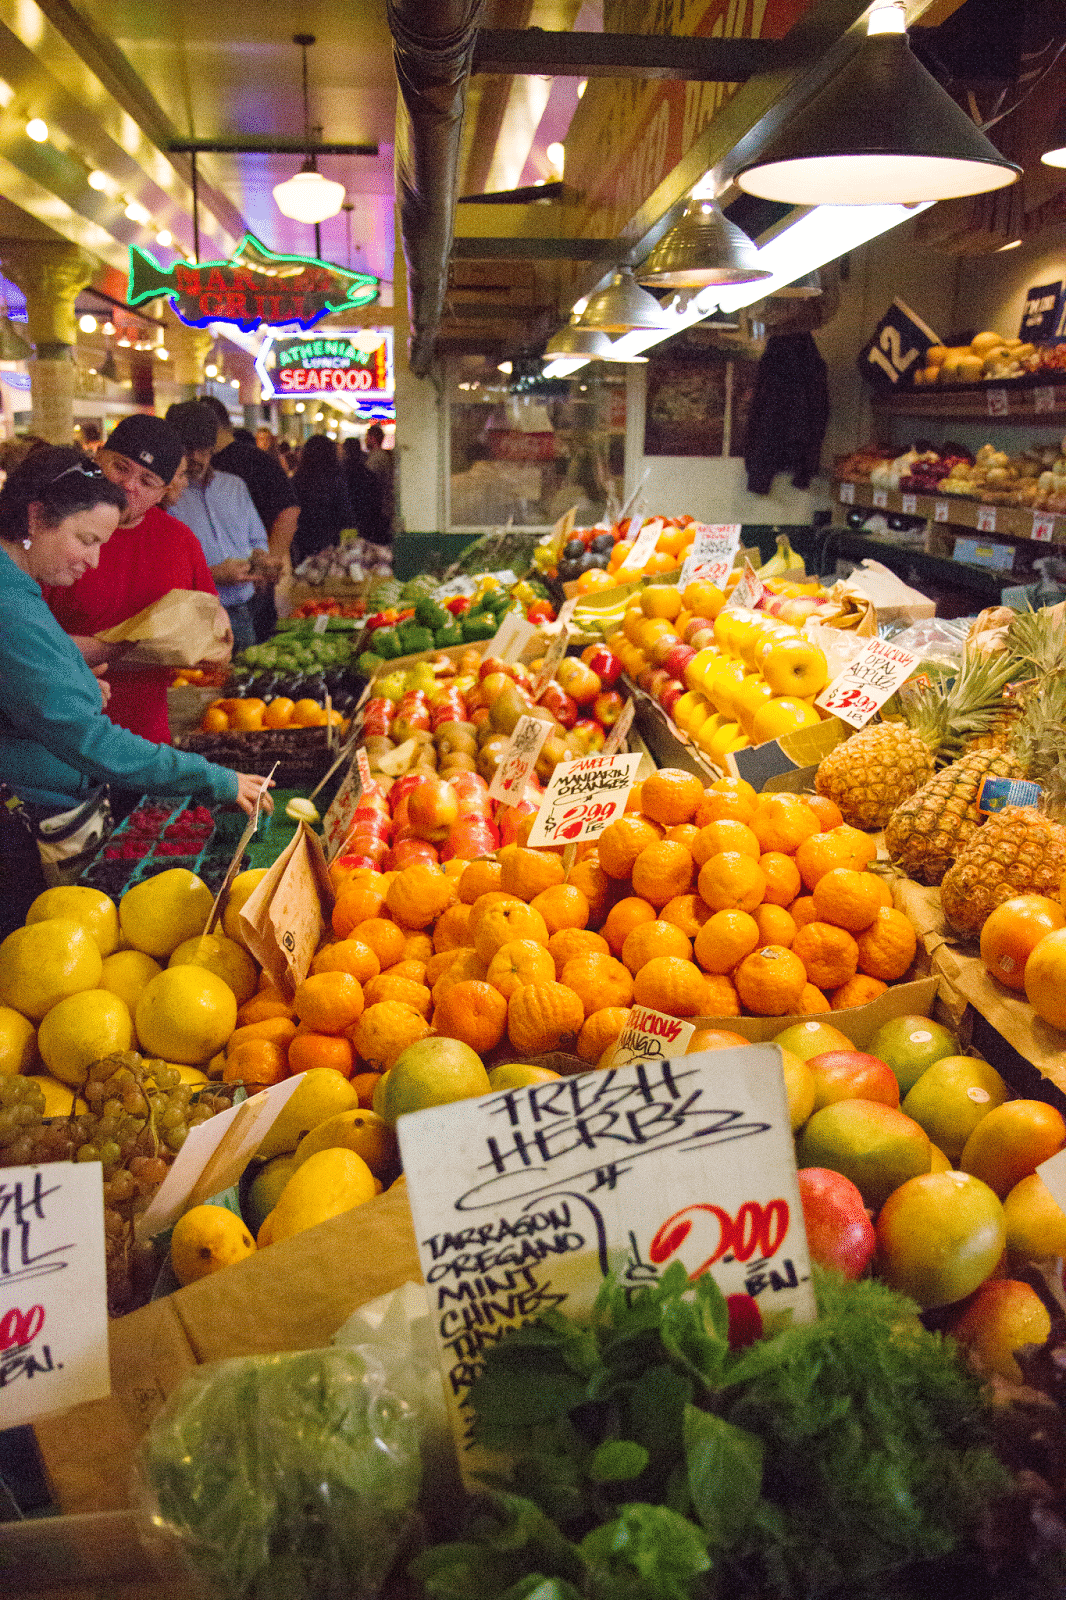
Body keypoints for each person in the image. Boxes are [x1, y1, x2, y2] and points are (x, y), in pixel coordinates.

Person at [0, 448, 272, 922]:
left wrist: (72, 685)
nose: (94, 559)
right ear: (37, 517)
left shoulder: (20, 586)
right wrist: (213, 778)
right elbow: (87, 739)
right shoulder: (12, 606)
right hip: (24, 825)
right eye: (86, 539)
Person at [43, 414, 224, 745]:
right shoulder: (54, 532)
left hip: (147, 741)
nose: (129, 485)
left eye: (147, 480)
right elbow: (23, 644)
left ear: (164, 492)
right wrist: (124, 648)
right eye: (120, 467)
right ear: (98, 459)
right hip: (59, 740)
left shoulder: (179, 540)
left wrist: (207, 640)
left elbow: (215, 627)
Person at [165, 400, 277, 655]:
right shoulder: (165, 496)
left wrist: (261, 559)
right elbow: (159, 569)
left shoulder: (234, 486)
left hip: (242, 610)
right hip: (192, 617)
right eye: (187, 450)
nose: (195, 458)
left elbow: (256, 539)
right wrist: (213, 574)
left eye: (202, 450)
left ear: (213, 447)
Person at [200, 394, 298, 642]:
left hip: (248, 584)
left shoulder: (251, 464)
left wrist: (268, 564)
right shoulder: (190, 471)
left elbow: (289, 511)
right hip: (216, 590)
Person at [290, 434, 352, 564]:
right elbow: (345, 512)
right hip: (331, 539)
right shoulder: (336, 479)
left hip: (303, 538)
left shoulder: (298, 480)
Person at [341, 436, 388, 546]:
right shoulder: (368, 473)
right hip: (367, 524)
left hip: (347, 526)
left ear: (345, 451)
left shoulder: (340, 474)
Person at [363, 423, 395, 533]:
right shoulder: (383, 456)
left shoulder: (376, 458)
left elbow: (369, 481)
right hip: (385, 507)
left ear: (372, 438)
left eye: (367, 437)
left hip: (380, 508)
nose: (365, 440)